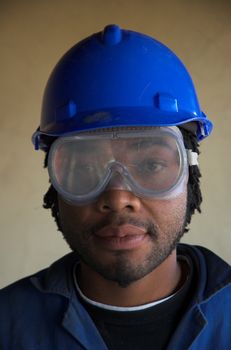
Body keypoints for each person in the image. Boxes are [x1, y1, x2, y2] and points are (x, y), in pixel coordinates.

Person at [0, 24, 230, 350]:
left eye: (151, 165)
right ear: (55, 182)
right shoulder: (7, 326)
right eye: (84, 167)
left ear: (190, 174)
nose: (118, 198)